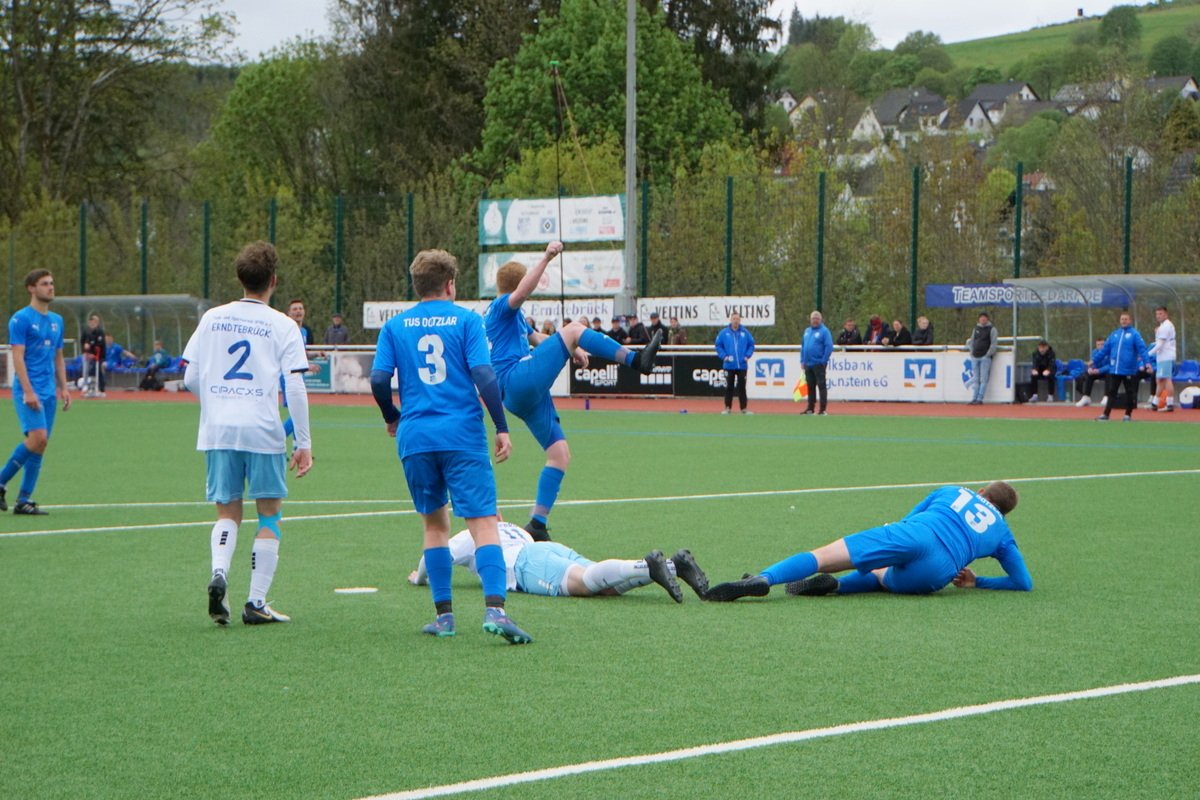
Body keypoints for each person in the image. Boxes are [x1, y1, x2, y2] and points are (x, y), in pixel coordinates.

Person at [371, 247, 531, 644]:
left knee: (434, 524)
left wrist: (392, 416)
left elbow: (378, 379)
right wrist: (501, 426)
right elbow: (484, 376)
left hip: (416, 435)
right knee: (483, 522)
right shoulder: (467, 320)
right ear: (450, 284)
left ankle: (444, 617)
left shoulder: (395, 326)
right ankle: (495, 610)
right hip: (461, 434)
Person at [485, 241, 661, 542]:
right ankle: (637, 361)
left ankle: (537, 524)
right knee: (574, 328)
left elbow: (538, 338)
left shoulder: (511, 317)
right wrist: (546, 258)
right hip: (515, 378)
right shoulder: (502, 306)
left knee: (559, 454)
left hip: (517, 394)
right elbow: (522, 293)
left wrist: (573, 349)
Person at [181, 242, 313, 626]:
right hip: (262, 429)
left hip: (219, 429)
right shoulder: (284, 325)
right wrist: (303, 442)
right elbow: (295, 386)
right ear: (274, 281)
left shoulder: (212, 318)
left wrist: (218, 403)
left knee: (227, 512)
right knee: (269, 514)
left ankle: (220, 572)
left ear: (239, 278)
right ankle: (255, 602)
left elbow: (190, 376)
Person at [704, 481, 1030, 601]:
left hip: (914, 534)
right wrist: (977, 582)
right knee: (882, 577)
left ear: (981, 492)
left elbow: (909, 518)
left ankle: (765, 578)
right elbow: (1023, 583)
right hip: (938, 571)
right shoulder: (1003, 533)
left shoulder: (953, 491)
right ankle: (838, 587)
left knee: (822, 556)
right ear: (1005, 512)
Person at [408, 521, 712, 603]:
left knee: (585, 584)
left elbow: (432, 557)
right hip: (546, 548)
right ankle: (674, 566)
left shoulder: (470, 534)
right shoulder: (511, 527)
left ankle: (645, 565)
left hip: (526, 564)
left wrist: (418, 578)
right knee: (604, 586)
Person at [1, 269, 71, 515]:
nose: (50, 287)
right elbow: (18, 357)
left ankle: (23, 500)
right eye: (44, 284)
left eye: (51, 283)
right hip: (28, 390)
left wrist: (65, 387)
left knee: (41, 444)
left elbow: (58, 357)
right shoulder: (20, 319)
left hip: (49, 391)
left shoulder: (57, 320)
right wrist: (28, 391)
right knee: (37, 438)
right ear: (31, 288)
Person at [1093, 312, 1150, 422]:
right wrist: (1094, 360)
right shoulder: (1115, 334)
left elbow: (1142, 350)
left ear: (1130, 321)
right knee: (1112, 392)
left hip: (1129, 370)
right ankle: (1106, 414)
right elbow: (1105, 350)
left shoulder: (1134, 334)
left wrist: (1147, 363)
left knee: (1130, 392)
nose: (1124, 321)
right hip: (1116, 369)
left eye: (1126, 319)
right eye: (1122, 319)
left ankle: (1128, 414)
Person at [715, 312, 755, 415]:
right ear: (731, 320)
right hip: (729, 365)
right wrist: (724, 356)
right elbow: (718, 346)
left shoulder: (745, 332)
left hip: (742, 365)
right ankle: (727, 408)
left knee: (742, 387)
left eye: (737, 319)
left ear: (740, 320)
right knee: (729, 387)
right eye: (734, 319)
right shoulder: (724, 333)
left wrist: (747, 356)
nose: (735, 321)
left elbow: (751, 345)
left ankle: (744, 408)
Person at [800, 310, 833, 415]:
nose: (815, 320)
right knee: (810, 386)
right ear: (810, 320)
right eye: (813, 319)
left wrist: (823, 360)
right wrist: (802, 360)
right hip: (808, 364)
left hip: (818, 363)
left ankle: (822, 409)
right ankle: (810, 408)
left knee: (821, 385)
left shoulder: (824, 331)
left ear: (820, 320)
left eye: (817, 319)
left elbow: (829, 346)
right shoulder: (807, 331)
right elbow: (803, 347)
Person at [966, 312, 998, 405]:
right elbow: (972, 341)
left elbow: (993, 344)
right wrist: (972, 352)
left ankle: (980, 398)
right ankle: (974, 398)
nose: (983, 319)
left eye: (984, 318)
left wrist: (987, 354)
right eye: (981, 318)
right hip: (975, 357)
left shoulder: (992, 329)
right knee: (976, 379)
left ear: (987, 319)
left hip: (985, 358)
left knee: (983, 379)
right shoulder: (976, 329)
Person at [1148, 306, 1176, 412]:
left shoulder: (1166, 326)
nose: (1158, 316)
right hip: (1161, 357)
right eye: (1157, 314)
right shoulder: (1162, 326)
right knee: (1160, 380)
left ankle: (1170, 404)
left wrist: (1147, 354)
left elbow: (1160, 345)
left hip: (1166, 356)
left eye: (1161, 314)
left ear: (1166, 314)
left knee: (1167, 379)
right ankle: (1155, 403)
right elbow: (1158, 343)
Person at [1074, 338, 1110, 408]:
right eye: (1098, 344)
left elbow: (1110, 365)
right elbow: (1092, 363)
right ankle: (1086, 397)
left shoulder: (1110, 352)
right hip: (1097, 372)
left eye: (1102, 344)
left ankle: (1107, 396)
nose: (1100, 346)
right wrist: (1090, 369)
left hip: (1106, 372)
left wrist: (1099, 370)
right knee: (1088, 375)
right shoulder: (1094, 352)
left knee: (1110, 375)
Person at [80, 313, 106, 395]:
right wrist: (85, 351)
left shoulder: (100, 332)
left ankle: (101, 388)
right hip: (88, 355)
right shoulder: (86, 331)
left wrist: (93, 351)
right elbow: (82, 342)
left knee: (98, 370)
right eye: (92, 321)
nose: (94, 323)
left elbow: (100, 344)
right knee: (86, 370)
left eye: (96, 322)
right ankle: (87, 386)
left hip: (98, 356)